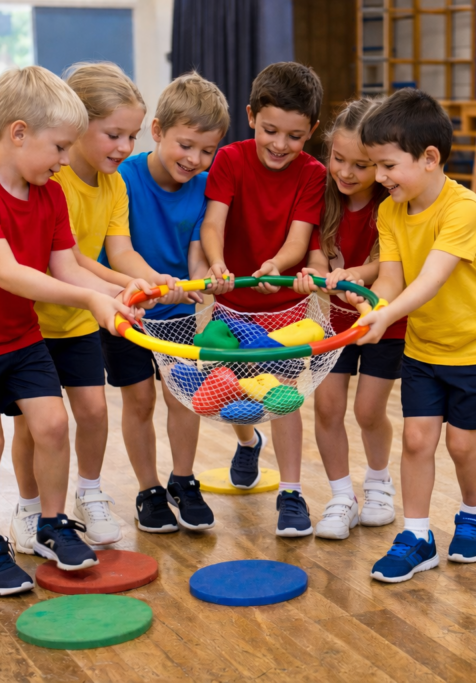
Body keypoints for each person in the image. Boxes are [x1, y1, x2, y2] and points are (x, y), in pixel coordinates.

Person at [0, 66, 150, 595]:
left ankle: (51, 524)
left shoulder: (49, 194)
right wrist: (91, 298)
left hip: (21, 338)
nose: (66, 160)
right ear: (19, 133)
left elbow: (65, 266)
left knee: (51, 425)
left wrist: (111, 293)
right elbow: (9, 274)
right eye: (60, 147)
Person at [8, 61, 184, 554]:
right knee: (32, 426)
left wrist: (148, 281)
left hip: (79, 322)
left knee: (92, 412)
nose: (125, 147)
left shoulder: (115, 184)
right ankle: (28, 508)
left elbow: (119, 251)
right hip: (34, 324)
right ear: (77, 125)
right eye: (114, 135)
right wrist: (121, 290)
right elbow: (69, 259)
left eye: (132, 136)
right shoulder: (52, 180)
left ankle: (89, 494)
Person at [354, 89, 476, 582]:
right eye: (375, 166)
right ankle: (417, 536)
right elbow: (392, 279)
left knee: (463, 446)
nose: (379, 177)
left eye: (387, 166)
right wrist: (373, 308)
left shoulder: (464, 209)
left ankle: (474, 514)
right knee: (417, 439)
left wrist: (385, 317)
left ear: (429, 158)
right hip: (425, 348)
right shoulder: (390, 211)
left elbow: (431, 280)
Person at [98, 70, 230, 533]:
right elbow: (118, 248)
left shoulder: (204, 187)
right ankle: (149, 488)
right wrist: (154, 283)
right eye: (186, 145)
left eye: (207, 151)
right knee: (138, 401)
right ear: (156, 131)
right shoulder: (122, 178)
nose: (195, 159)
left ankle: (183, 479)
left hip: (177, 313)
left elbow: (196, 254)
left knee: (183, 399)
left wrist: (202, 282)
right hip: (127, 308)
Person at [201, 62, 326, 536]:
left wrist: (276, 264)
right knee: (237, 391)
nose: (280, 144)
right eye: (270, 130)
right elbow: (213, 222)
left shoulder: (312, 174)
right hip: (232, 304)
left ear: (311, 131)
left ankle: (291, 493)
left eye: (295, 136)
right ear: (251, 116)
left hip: (285, 309)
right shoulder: (230, 159)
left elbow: (299, 240)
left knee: (285, 399)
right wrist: (218, 263)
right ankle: (248, 442)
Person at [292, 99, 404, 540]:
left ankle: (378, 484)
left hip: (384, 324)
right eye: (338, 159)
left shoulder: (391, 202)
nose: (346, 172)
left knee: (368, 410)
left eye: (361, 165)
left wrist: (354, 275)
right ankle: (342, 497)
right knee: (327, 408)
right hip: (334, 325)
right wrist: (318, 275)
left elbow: (387, 264)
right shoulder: (322, 193)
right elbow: (316, 253)